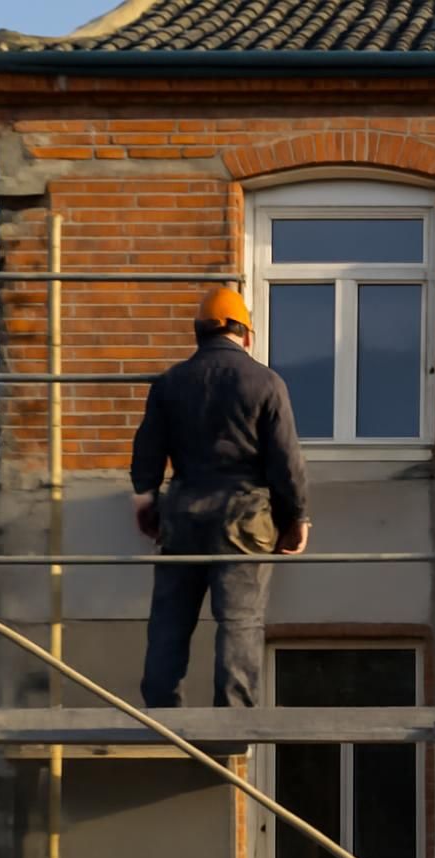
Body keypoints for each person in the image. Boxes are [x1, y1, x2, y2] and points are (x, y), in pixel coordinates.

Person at [129, 287, 310, 708]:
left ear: (198, 333)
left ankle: (162, 715)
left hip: (182, 518)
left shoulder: (170, 383)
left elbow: (147, 453)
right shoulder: (265, 382)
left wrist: (146, 503)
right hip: (244, 521)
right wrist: (295, 518)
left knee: (170, 621)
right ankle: (232, 723)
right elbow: (286, 461)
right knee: (240, 623)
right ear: (246, 334)